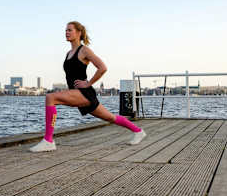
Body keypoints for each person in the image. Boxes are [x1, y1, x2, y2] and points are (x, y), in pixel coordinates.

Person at [30, 21, 146, 152]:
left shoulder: (84, 50)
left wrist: (89, 83)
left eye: (70, 30)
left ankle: (48, 141)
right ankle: (138, 131)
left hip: (84, 93)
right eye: (66, 30)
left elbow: (102, 68)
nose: (66, 33)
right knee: (110, 117)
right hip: (77, 93)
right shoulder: (68, 53)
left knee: (50, 98)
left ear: (79, 33)